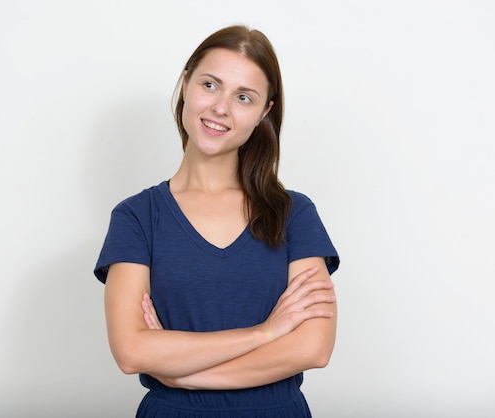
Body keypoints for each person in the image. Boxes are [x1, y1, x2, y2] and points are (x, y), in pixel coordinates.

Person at [94, 24, 340, 418]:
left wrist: (182, 375)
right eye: (210, 85)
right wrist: (265, 332)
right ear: (187, 83)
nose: (221, 108)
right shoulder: (136, 217)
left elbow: (313, 347)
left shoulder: (295, 214)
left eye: (244, 97)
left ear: (264, 112)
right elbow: (132, 351)